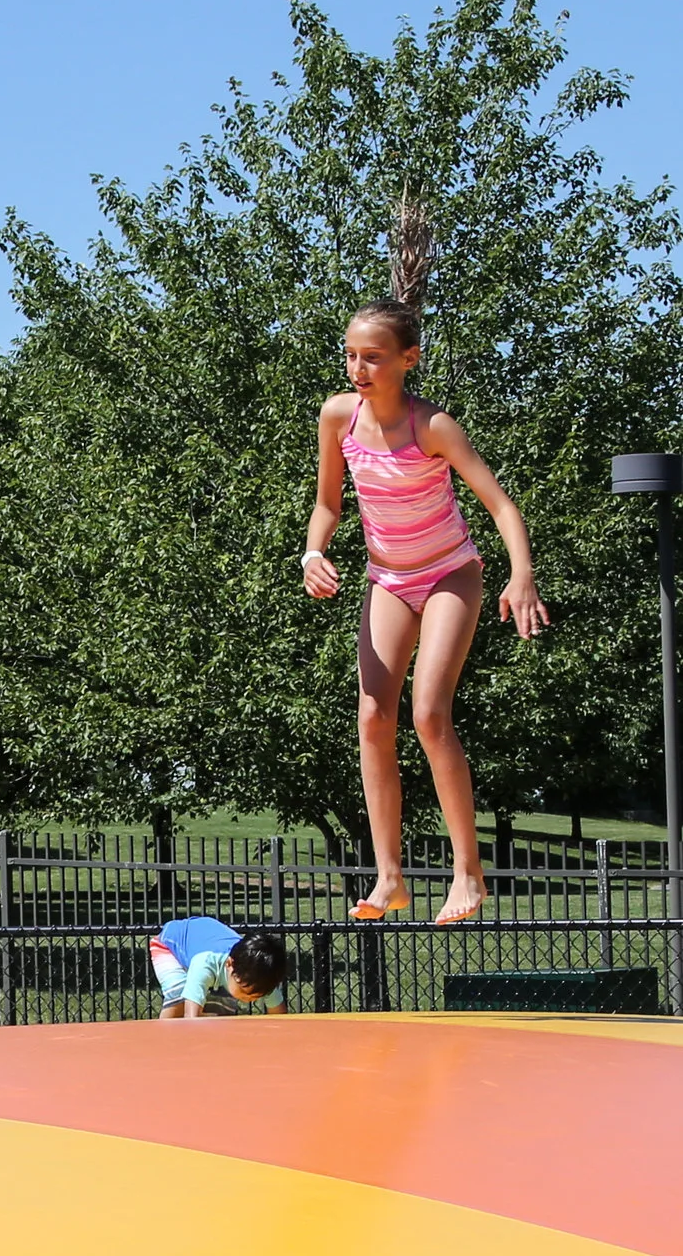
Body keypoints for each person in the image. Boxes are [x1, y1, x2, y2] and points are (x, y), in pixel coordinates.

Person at [303, 199, 547, 926]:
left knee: (428, 713)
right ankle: (390, 878)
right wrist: (313, 550)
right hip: (388, 578)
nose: (357, 366)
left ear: (407, 359)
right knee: (372, 716)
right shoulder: (337, 417)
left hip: (448, 574)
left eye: (371, 356)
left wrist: (521, 573)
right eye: (350, 354)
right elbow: (328, 506)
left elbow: (502, 507)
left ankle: (467, 877)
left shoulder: (431, 426)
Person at [150, 917, 290, 1019]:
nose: (247, 999)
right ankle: (164, 1040)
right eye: (244, 991)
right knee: (179, 995)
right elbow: (190, 1017)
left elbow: (280, 1017)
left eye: (255, 997)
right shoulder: (205, 963)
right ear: (229, 964)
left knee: (222, 1007)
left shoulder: (261, 976)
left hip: (204, 943)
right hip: (169, 945)